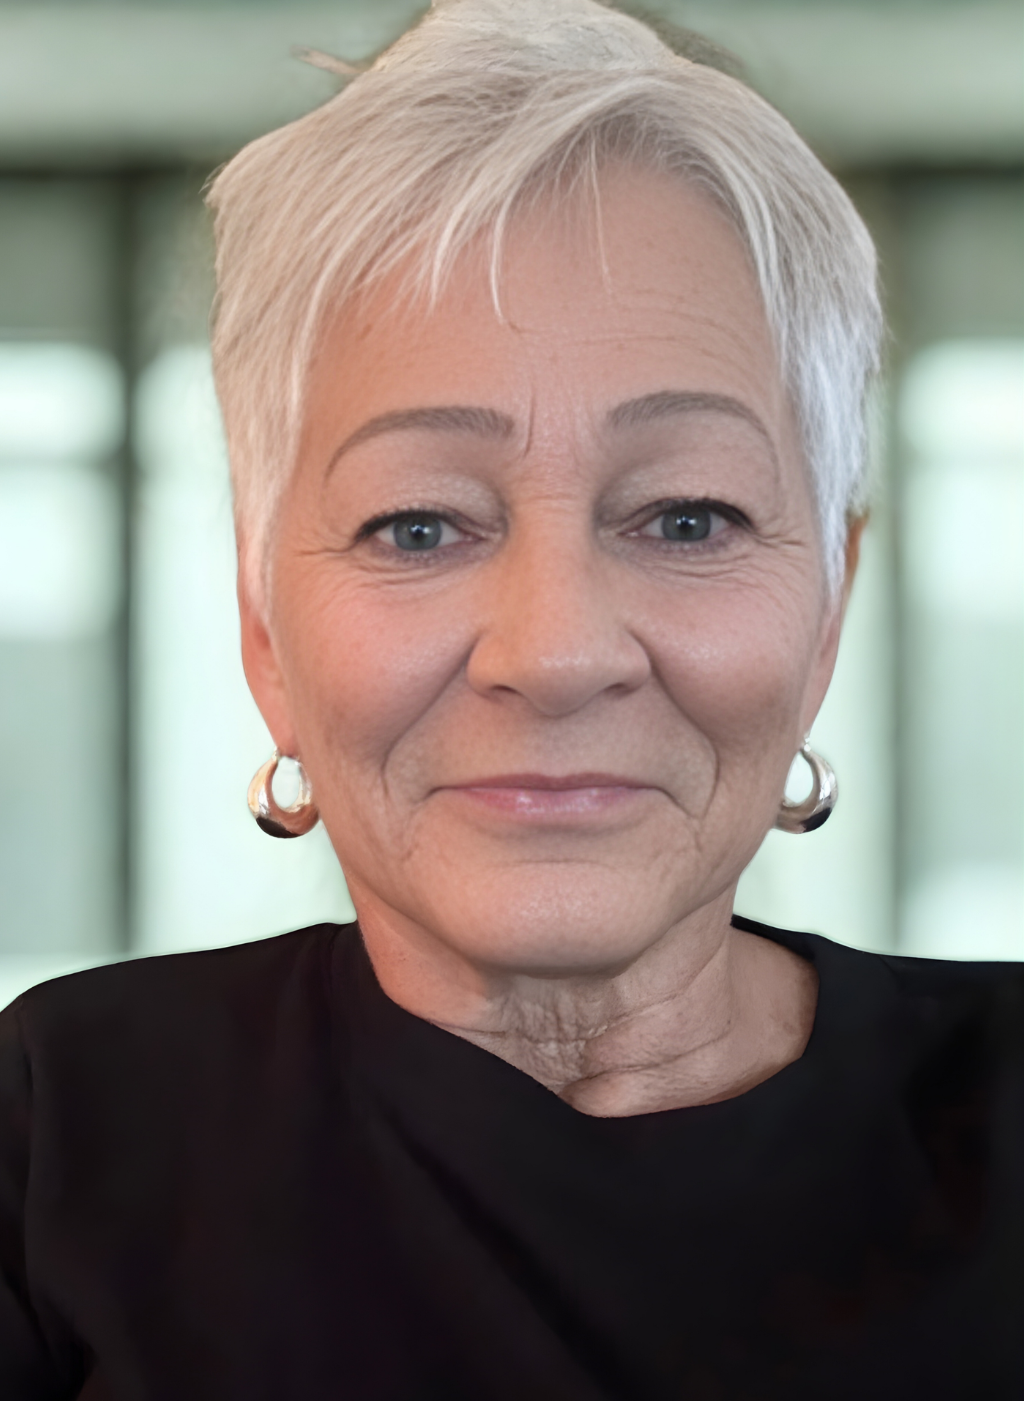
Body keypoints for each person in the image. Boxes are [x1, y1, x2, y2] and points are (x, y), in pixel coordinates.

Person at [1, 1, 1022, 1397]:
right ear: (262, 623)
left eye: (685, 517)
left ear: (829, 605)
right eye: (418, 527)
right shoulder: (60, 1136)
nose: (553, 652)